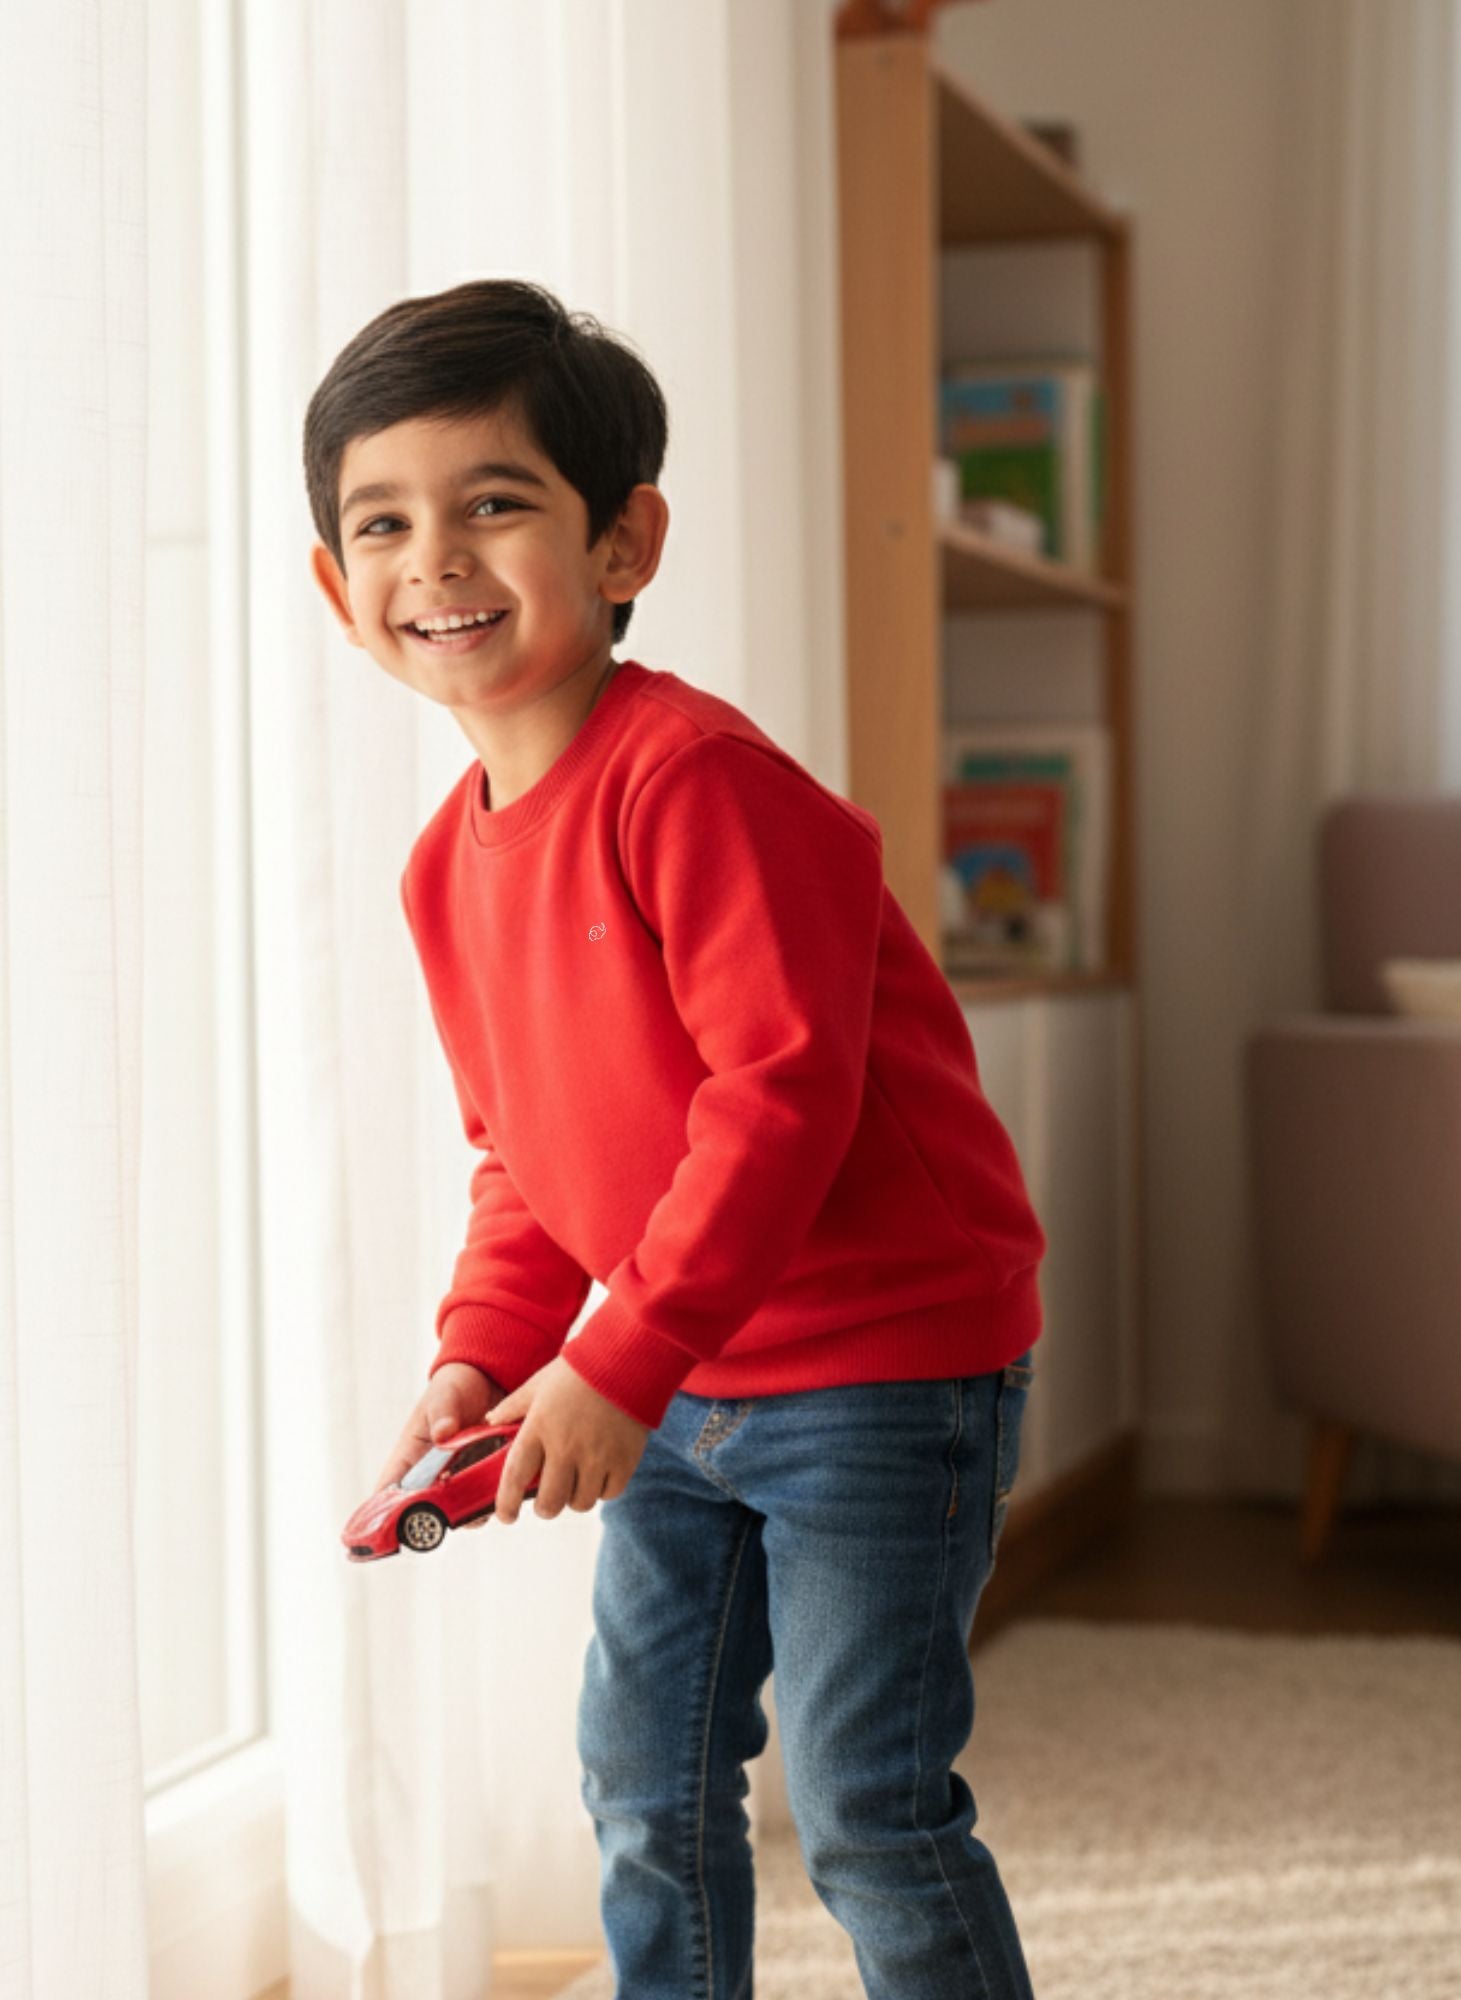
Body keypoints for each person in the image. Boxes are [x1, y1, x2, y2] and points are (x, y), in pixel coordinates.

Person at [304, 276, 1045, 2000]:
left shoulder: (697, 783)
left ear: (625, 542)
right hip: (682, 1379)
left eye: (497, 504)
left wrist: (620, 1359)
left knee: (869, 1807)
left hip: (875, 1369)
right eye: (386, 525)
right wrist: (486, 1353)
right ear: (343, 596)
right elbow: (527, 1156)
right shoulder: (446, 865)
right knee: (641, 1783)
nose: (440, 560)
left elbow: (781, 1101)